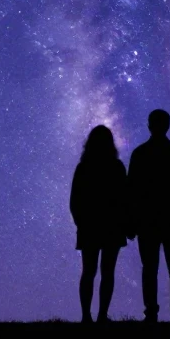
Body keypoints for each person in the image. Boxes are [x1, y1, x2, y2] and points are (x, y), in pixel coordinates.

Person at [127, 109, 170, 323]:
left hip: (148, 221)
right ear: (167, 125)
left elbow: (131, 192)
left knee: (151, 269)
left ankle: (152, 313)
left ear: (150, 125)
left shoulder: (140, 154)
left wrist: (131, 221)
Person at [69, 125, 129, 323]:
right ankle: (102, 315)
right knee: (107, 272)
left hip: (89, 226)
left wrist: (81, 222)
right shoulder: (117, 167)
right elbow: (125, 199)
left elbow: (74, 201)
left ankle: (87, 316)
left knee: (88, 271)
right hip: (112, 226)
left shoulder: (83, 167)